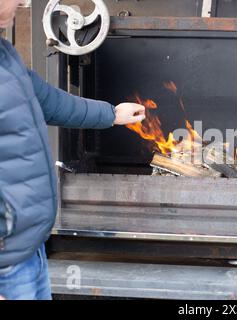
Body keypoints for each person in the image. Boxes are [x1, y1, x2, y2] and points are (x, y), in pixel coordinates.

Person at [0, 0, 146, 299]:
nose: (20, 1)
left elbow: (47, 100)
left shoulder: (4, 57)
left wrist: (110, 114)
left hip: (27, 247)